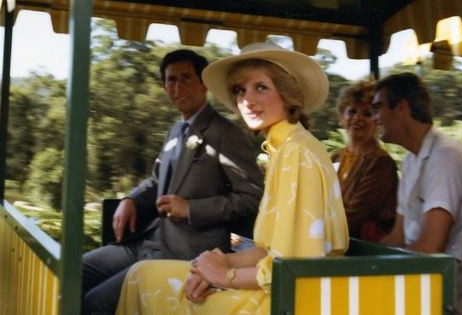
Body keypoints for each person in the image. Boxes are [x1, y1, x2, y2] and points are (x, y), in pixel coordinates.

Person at [115, 42, 349, 315]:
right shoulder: (285, 147)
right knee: (141, 274)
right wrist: (218, 260)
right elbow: (268, 250)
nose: (247, 99)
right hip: (278, 286)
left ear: (287, 93)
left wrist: (223, 276)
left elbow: (292, 266)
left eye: (261, 87)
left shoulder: (296, 152)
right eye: (240, 90)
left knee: (142, 282)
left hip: (289, 300)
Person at [81, 49, 264, 314]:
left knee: (95, 302)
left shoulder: (225, 132)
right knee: (75, 271)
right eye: (171, 80)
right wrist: (131, 199)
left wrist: (191, 209)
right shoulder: (174, 131)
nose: (178, 87)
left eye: (186, 78)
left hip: (185, 252)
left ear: (203, 84)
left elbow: (251, 196)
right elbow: (156, 179)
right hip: (147, 240)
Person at [374, 72, 462, 315]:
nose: (375, 119)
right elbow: (397, 237)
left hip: (452, 298)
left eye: (378, 108)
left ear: (401, 108)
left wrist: (372, 271)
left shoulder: (445, 156)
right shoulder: (410, 160)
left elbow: (430, 247)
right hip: (425, 286)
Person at [331, 80, 398, 242]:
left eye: (367, 114)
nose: (357, 118)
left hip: (363, 251)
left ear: (378, 121)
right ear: (342, 116)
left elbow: (356, 215)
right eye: (352, 111)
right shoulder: (335, 157)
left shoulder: (380, 162)